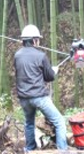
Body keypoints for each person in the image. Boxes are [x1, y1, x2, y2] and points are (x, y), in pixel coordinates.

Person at [14, 24, 67, 152]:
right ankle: (63, 150)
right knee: (59, 121)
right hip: (39, 97)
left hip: (24, 98)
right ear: (33, 40)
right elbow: (49, 77)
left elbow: (21, 73)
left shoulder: (17, 55)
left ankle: (29, 149)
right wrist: (54, 71)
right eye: (37, 39)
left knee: (29, 123)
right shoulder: (40, 56)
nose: (38, 42)